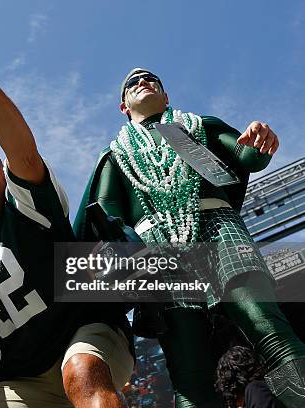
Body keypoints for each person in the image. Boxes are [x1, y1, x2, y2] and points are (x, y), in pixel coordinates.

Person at [73, 68, 305, 408]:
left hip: (218, 227)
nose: (142, 82)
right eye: (132, 84)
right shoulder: (114, 155)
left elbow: (245, 156)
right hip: (159, 253)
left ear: (166, 97)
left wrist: (258, 142)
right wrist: (123, 243)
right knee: (189, 370)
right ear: (123, 107)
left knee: (267, 327)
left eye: (151, 80)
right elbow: (106, 213)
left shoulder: (198, 126)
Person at [0, 21, 134, 408]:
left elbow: (24, 155)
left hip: (82, 333)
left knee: (81, 373)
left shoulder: (24, 206)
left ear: (1, 170)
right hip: (18, 375)